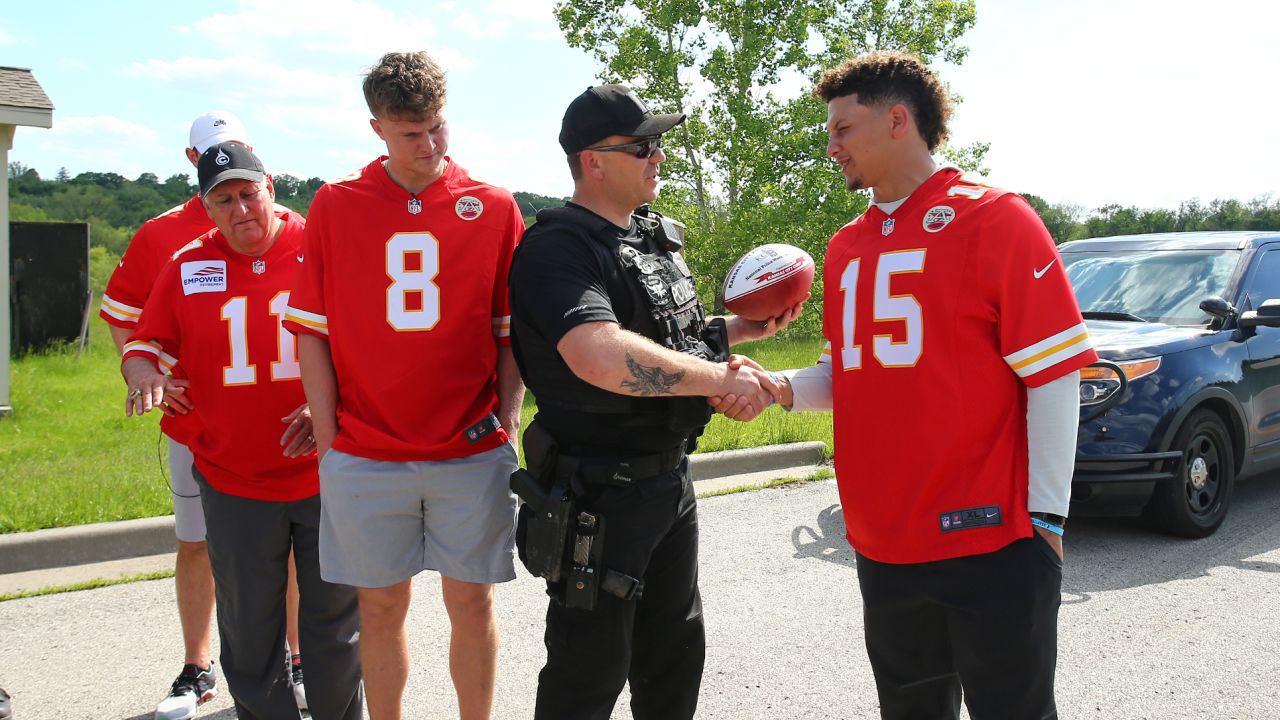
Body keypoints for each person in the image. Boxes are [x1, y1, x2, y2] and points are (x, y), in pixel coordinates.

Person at [727, 52, 1097, 719]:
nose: (830, 144)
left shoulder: (997, 218)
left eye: (843, 128)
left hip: (990, 542)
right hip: (883, 543)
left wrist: (1046, 521)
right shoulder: (846, 246)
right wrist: (775, 386)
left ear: (898, 120)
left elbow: (1054, 375)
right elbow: (852, 373)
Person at [506, 84, 798, 720]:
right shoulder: (555, 250)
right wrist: (717, 380)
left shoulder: (649, 239)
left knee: (673, 656)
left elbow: (671, 336)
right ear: (593, 160)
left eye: (658, 142)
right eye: (641, 146)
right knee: (589, 670)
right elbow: (600, 355)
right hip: (599, 495)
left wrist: (741, 336)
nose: (658, 155)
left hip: (669, 483)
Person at [282, 51, 525, 720]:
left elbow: (511, 334)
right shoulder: (336, 204)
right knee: (381, 605)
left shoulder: (496, 207)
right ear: (377, 129)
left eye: (438, 128)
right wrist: (331, 443)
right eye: (410, 132)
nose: (428, 145)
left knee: (472, 602)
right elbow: (313, 332)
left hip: (470, 448)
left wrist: (506, 420)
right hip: (365, 451)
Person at [122, 142, 363, 720]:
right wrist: (145, 373)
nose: (240, 210)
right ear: (206, 206)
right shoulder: (187, 265)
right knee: (248, 627)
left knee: (334, 623)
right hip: (233, 479)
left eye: (248, 194)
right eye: (223, 199)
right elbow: (143, 344)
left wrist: (325, 404)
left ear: (271, 189)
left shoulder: (320, 246)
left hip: (322, 471)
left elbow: (367, 342)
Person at [99, 110, 310, 719]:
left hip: (294, 431)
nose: (238, 203)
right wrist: (153, 373)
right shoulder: (165, 235)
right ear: (192, 163)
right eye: (212, 156)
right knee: (201, 545)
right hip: (209, 429)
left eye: (238, 153)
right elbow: (125, 316)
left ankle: (296, 659)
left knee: (299, 558)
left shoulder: (299, 232)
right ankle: (198, 664)